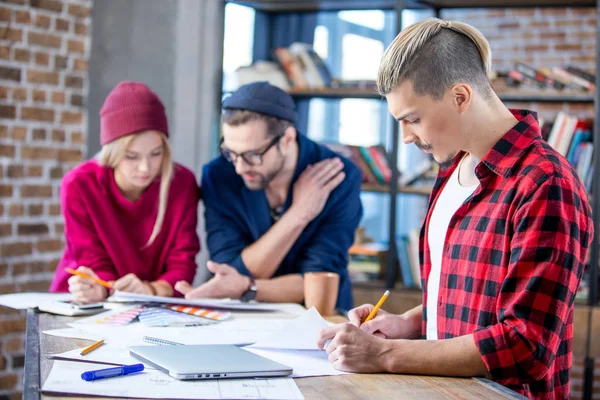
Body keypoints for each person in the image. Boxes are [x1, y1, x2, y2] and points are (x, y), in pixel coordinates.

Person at [317, 18, 593, 400]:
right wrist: (405, 325)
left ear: (461, 97)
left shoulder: (546, 184)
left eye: (413, 119)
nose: (407, 137)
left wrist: (385, 354)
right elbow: (464, 298)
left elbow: (526, 345)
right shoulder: (452, 166)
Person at [175, 82, 362, 311]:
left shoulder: (339, 176)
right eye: (231, 152)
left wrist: (245, 286)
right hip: (242, 313)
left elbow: (320, 279)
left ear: (287, 139)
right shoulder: (219, 175)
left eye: (253, 155)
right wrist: (298, 214)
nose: (240, 168)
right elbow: (230, 270)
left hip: (318, 315)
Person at [50, 81, 201, 303]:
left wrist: (150, 290)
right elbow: (90, 259)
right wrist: (106, 290)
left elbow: (183, 265)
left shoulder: (182, 183)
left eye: (156, 154)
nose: (145, 168)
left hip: (151, 307)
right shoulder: (80, 185)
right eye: (131, 156)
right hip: (86, 301)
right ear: (112, 152)